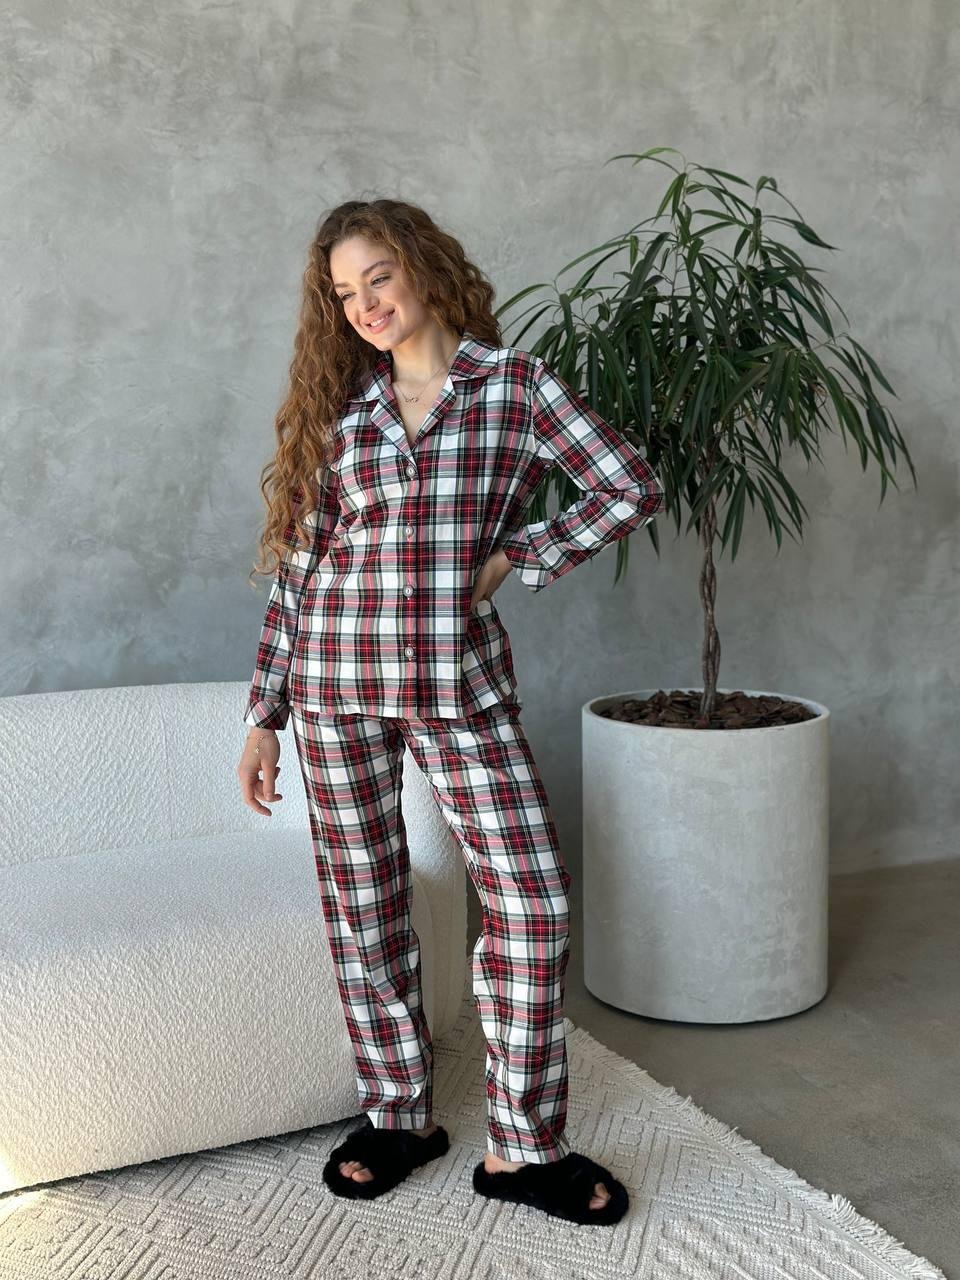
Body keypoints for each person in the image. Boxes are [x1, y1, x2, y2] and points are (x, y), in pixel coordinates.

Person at [236, 198, 664, 1226]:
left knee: (532, 898)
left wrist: (516, 557)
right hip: (334, 683)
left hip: (455, 684)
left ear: (423, 267)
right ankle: (399, 1115)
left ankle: (524, 1146)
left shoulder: (516, 388)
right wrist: (265, 712)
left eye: (378, 277)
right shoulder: (345, 413)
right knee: (365, 901)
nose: (365, 305)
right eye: (344, 292)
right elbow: (300, 570)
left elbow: (628, 485)